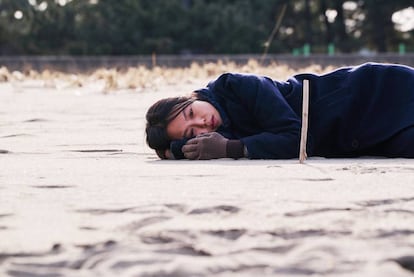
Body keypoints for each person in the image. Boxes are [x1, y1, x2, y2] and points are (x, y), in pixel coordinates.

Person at [145, 62, 414, 160]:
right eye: (194, 132)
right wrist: (173, 150)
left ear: (189, 98)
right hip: (360, 136)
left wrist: (231, 149)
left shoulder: (238, 85)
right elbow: (196, 147)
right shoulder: (219, 131)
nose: (204, 123)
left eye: (192, 113)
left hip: (371, 93)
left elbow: (297, 139)